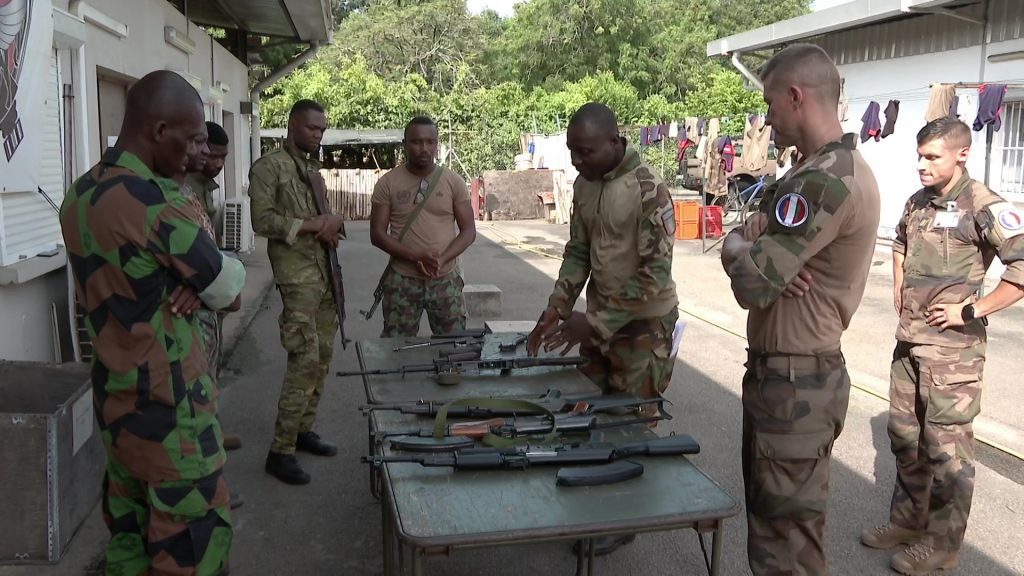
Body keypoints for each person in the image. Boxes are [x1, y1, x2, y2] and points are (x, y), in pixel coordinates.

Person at [59, 70, 245, 576]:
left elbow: (131, 278)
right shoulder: (157, 204)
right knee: (192, 547)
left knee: (129, 539)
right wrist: (200, 279)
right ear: (159, 131)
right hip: (172, 411)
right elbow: (228, 290)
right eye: (188, 140)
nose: (194, 154)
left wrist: (187, 279)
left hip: (118, 405)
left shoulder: (79, 195)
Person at [719, 43, 880, 575]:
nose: (766, 120)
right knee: (776, 533)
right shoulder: (809, 172)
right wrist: (746, 247)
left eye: (770, 105)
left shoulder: (824, 179)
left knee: (784, 549)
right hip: (788, 378)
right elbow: (746, 249)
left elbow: (753, 284)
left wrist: (746, 251)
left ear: (795, 96)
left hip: (795, 383)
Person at [860, 117, 1024, 576]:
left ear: (961, 155)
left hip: (953, 357)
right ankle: (908, 523)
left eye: (932, 156)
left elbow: (1022, 265)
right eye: (919, 155)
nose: (921, 165)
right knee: (907, 440)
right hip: (909, 345)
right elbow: (898, 240)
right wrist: (897, 283)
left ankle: (943, 545)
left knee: (948, 454)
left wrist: (973, 309)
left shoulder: (984, 204)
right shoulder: (918, 202)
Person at [526, 101, 679, 556]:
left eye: (586, 151)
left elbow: (655, 272)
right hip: (599, 325)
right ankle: (596, 507)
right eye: (572, 150)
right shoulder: (584, 185)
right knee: (590, 415)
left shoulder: (649, 189)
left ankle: (624, 520)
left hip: (643, 327)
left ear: (615, 141)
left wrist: (593, 321)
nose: (577, 160)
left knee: (630, 425)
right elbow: (578, 251)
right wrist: (556, 307)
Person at [248, 99, 345, 485]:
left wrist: (331, 223)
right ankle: (281, 449)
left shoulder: (311, 169)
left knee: (322, 360)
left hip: (325, 274)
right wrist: (312, 224)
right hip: (298, 277)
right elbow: (262, 220)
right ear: (292, 126)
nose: (318, 135)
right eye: (311, 129)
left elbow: (323, 220)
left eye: (322, 130)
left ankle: (304, 430)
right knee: (304, 359)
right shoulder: (269, 167)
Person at [369, 116, 475, 337]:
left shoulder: (453, 182)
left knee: (453, 348)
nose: (424, 148)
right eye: (416, 142)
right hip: (402, 280)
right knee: (396, 349)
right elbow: (378, 235)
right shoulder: (387, 183)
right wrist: (415, 256)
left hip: (445, 279)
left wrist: (441, 260)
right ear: (405, 144)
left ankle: (447, 374)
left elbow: (468, 231)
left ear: (437, 144)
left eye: (430, 142)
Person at [184, 121, 230, 246]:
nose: (220, 164)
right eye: (214, 157)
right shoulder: (184, 186)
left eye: (223, 157)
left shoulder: (205, 183)